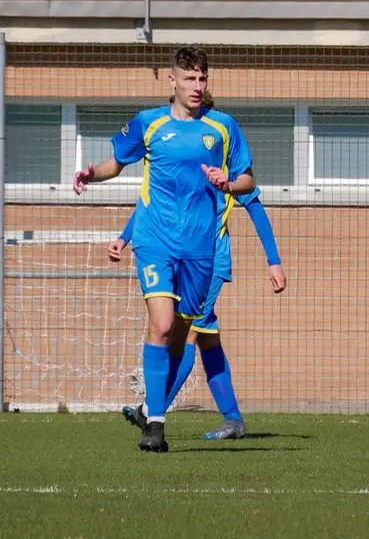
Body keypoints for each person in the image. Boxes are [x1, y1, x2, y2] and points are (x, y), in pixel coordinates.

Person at [73, 45, 256, 452]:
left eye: (202, 78)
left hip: (200, 249)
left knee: (179, 334)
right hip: (156, 241)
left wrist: (228, 181)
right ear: (171, 80)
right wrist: (92, 173)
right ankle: (155, 425)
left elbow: (249, 181)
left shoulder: (223, 127)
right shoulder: (148, 123)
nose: (197, 85)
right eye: (189, 78)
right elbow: (116, 164)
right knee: (160, 323)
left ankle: (148, 410)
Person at [112, 152, 286, 440]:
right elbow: (150, 206)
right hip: (181, 259)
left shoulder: (226, 170)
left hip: (210, 265)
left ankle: (152, 411)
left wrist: (274, 260)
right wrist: (123, 237)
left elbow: (255, 208)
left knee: (189, 334)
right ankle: (233, 419)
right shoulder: (178, 163)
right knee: (206, 337)